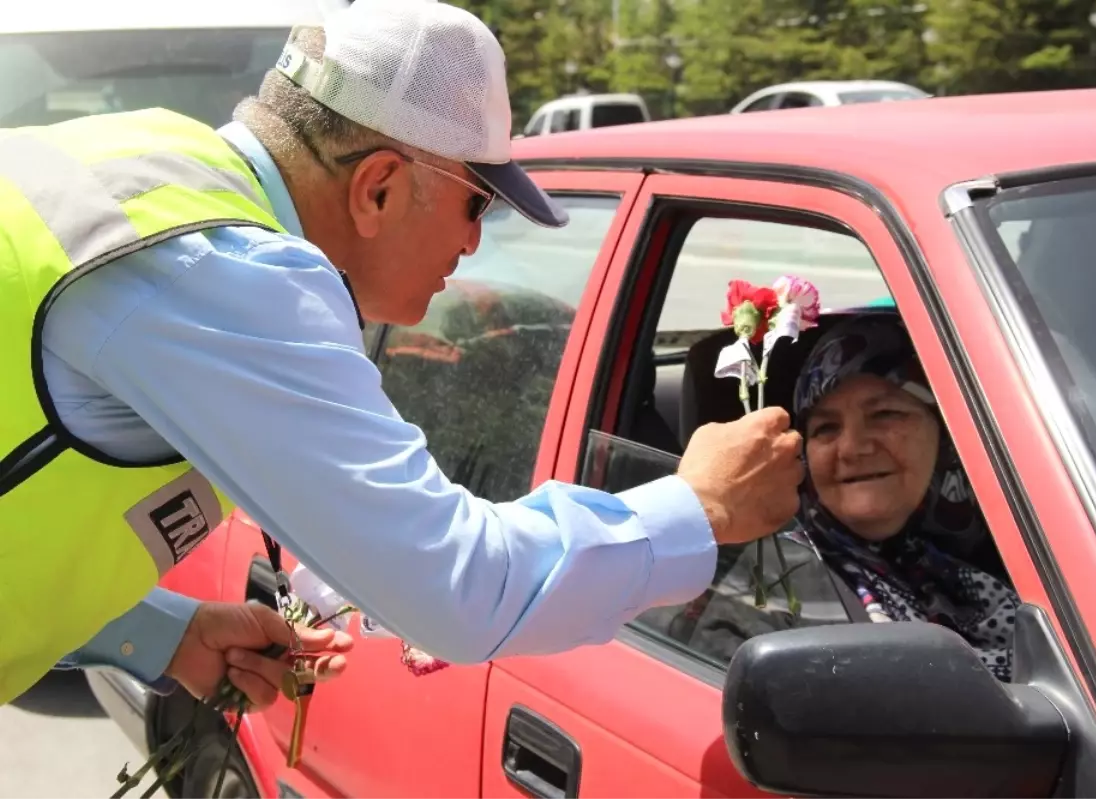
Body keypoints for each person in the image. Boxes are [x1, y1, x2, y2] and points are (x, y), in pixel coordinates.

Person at [0, 0, 803, 706]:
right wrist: (699, 507)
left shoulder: (144, 159)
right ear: (379, 185)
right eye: (475, 200)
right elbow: (462, 589)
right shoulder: (223, 272)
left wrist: (156, 631)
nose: (475, 241)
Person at [686, 314, 1019, 681]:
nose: (852, 447)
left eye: (884, 415)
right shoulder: (776, 583)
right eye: (826, 427)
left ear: (944, 435)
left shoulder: (1024, 543)